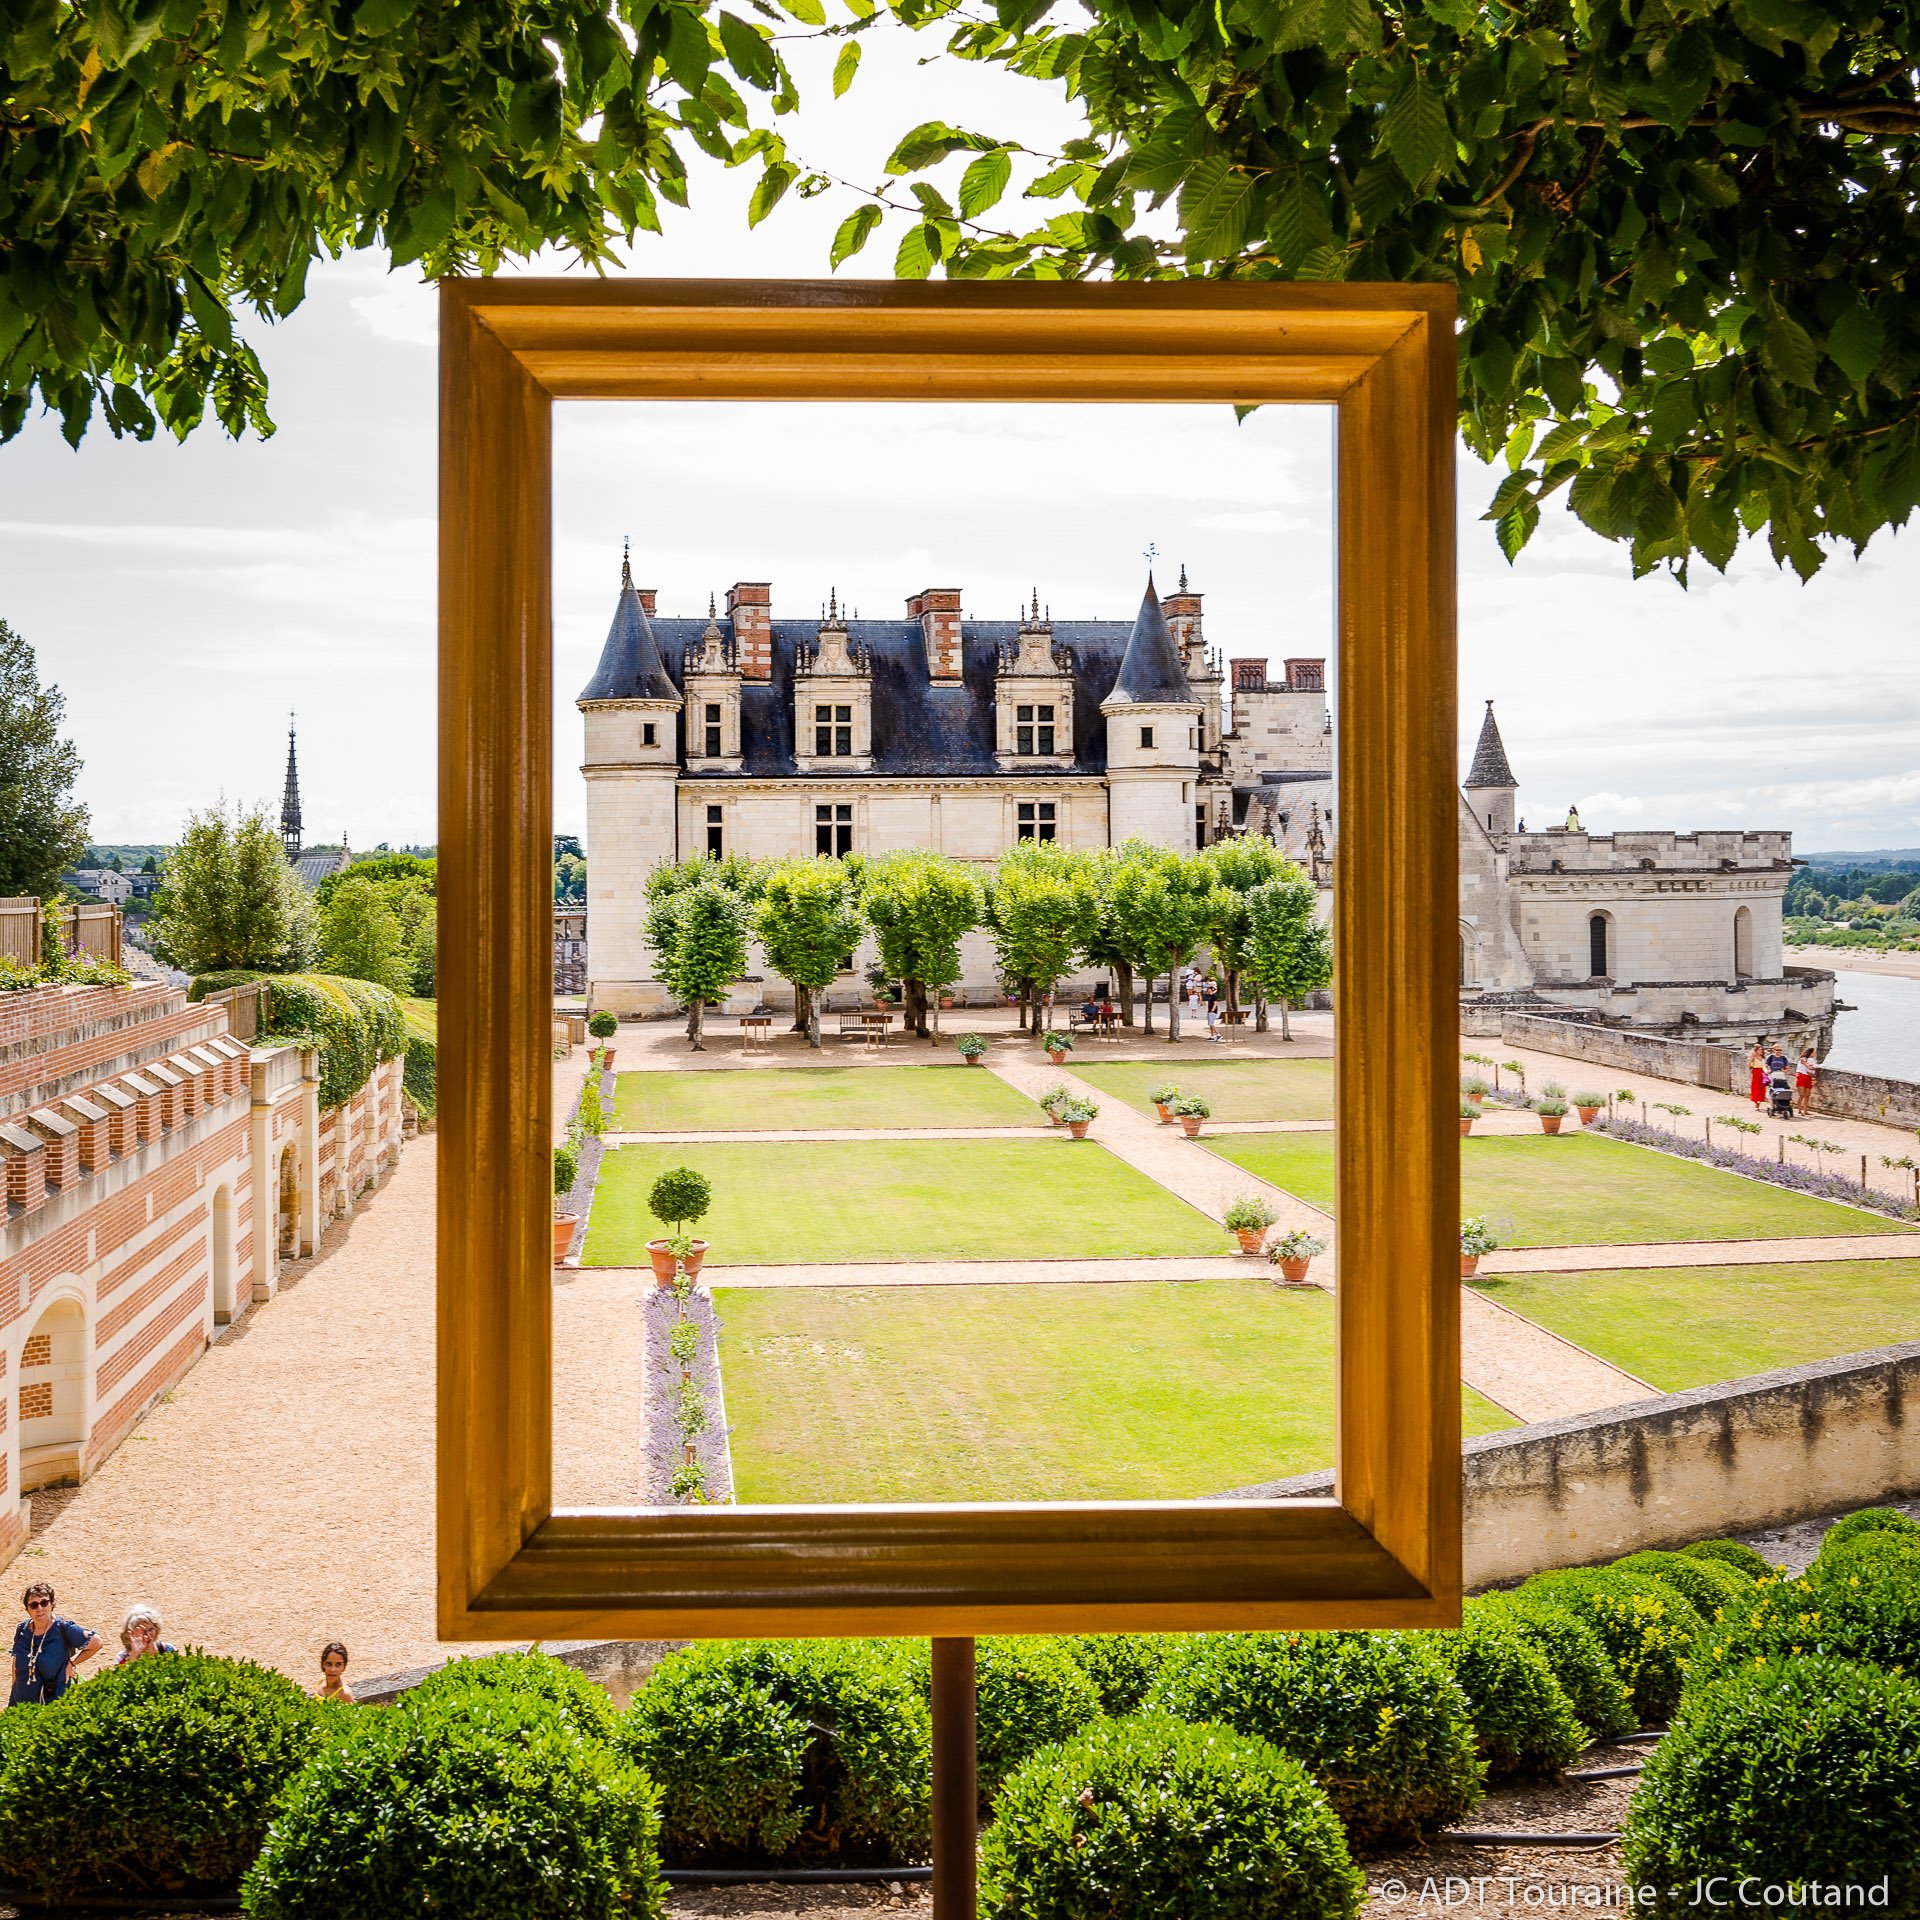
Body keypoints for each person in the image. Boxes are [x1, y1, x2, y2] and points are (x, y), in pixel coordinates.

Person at [10, 1584, 102, 1706]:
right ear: (27, 1609)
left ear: (52, 1604)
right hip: (20, 1703)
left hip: (54, 1704)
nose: (39, 1608)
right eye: (33, 1605)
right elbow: (16, 1664)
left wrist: (72, 1662)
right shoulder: (22, 1629)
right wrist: (13, 1691)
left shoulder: (63, 1629)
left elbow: (96, 1643)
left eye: (44, 1603)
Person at [1796, 1045, 1817, 1116]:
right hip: (1801, 1076)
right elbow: (1807, 1065)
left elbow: (1811, 1070)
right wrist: (1812, 1067)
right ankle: (1799, 1110)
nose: (1815, 1054)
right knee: (1801, 1095)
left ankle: (1805, 1110)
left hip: (1808, 1077)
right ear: (1810, 1053)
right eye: (1814, 1052)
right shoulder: (1803, 1058)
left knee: (1807, 1095)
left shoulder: (1812, 1060)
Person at [1748, 1042, 1768, 1113]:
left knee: (1762, 1088)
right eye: (1759, 1050)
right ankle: (1756, 1104)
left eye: (1761, 1050)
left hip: (1762, 1073)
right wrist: (1752, 1058)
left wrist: (1766, 1071)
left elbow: (1764, 1066)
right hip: (1756, 1072)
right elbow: (1749, 1065)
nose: (1761, 1051)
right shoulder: (1754, 1058)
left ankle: (1759, 1103)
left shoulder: (1763, 1058)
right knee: (1756, 1088)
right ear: (1756, 1050)